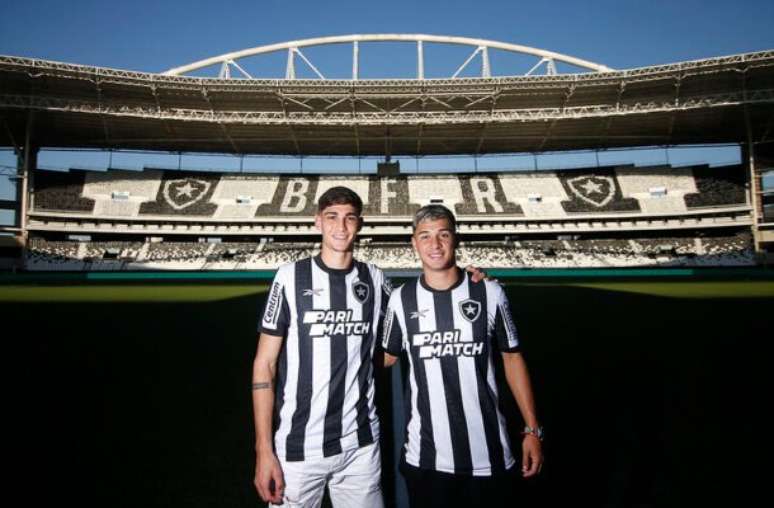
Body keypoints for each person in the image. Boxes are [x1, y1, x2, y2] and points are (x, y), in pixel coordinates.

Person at [252, 188, 485, 507]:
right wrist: (264, 450)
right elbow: (264, 365)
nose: (341, 227)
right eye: (332, 218)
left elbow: (416, 308)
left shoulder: (375, 280)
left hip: (361, 447)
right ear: (318, 222)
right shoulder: (290, 277)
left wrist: (465, 283)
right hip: (297, 449)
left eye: (349, 218)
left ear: (359, 224)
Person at [382, 204, 544, 508]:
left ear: (455, 239)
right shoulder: (400, 300)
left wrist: (532, 429)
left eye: (443, 235)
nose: (435, 245)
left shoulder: (489, 292)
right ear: (414, 243)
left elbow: (512, 358)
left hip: (490, 456)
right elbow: (387, 357)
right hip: (426, 461)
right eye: (425, 236)